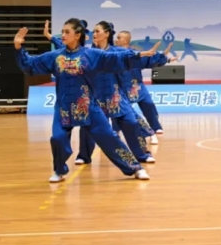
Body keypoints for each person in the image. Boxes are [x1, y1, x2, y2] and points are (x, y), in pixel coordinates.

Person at [14, 19, 160, 182]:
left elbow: (114, 58)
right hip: (64, 109)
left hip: (88, 107)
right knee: (57, 138)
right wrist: (19, 47)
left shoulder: (90, 55)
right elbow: (31, 64)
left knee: (109, 137)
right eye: (62, 32)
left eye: (67, 32)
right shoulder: (56, 56)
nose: (63, 35)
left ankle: (135, 168)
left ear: (77, 35)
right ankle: (59, 171)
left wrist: (139, 54)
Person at [64, 21, 167, 165]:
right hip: (95, 99)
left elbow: (137, 59)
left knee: (131, 123)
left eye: (97, 31)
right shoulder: (88, 53)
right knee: (87, 127)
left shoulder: (117, 52)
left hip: (115, 97)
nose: (94, 34)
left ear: (107, 34)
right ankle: (83, 156)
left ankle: (143, 154)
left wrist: (160, 58)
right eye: (93, 31)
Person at [117, 30, 167, 142]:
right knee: (121, 110)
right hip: (122, 87)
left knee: (149, 104)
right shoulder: (114, 54)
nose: (116, 40)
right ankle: (116, 130)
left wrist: (164, 58)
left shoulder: (136, 54)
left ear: (125, 40)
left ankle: (155, 127)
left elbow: (150, 60)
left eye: (119, 38)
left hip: (137, 85)